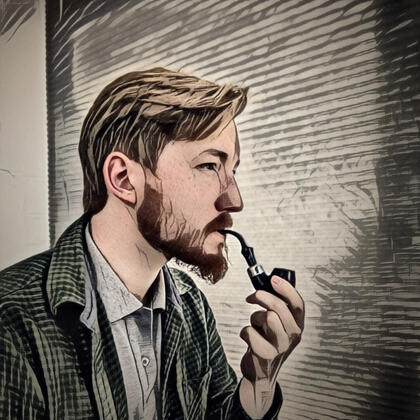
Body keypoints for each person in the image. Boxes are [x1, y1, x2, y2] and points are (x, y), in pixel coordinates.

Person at [0, 68, 304, 419]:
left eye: (231, 170)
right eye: (209, 166)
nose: (234, 200)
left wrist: (259, 384)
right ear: (123, 179)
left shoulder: (192, 306)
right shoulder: (11, 320)